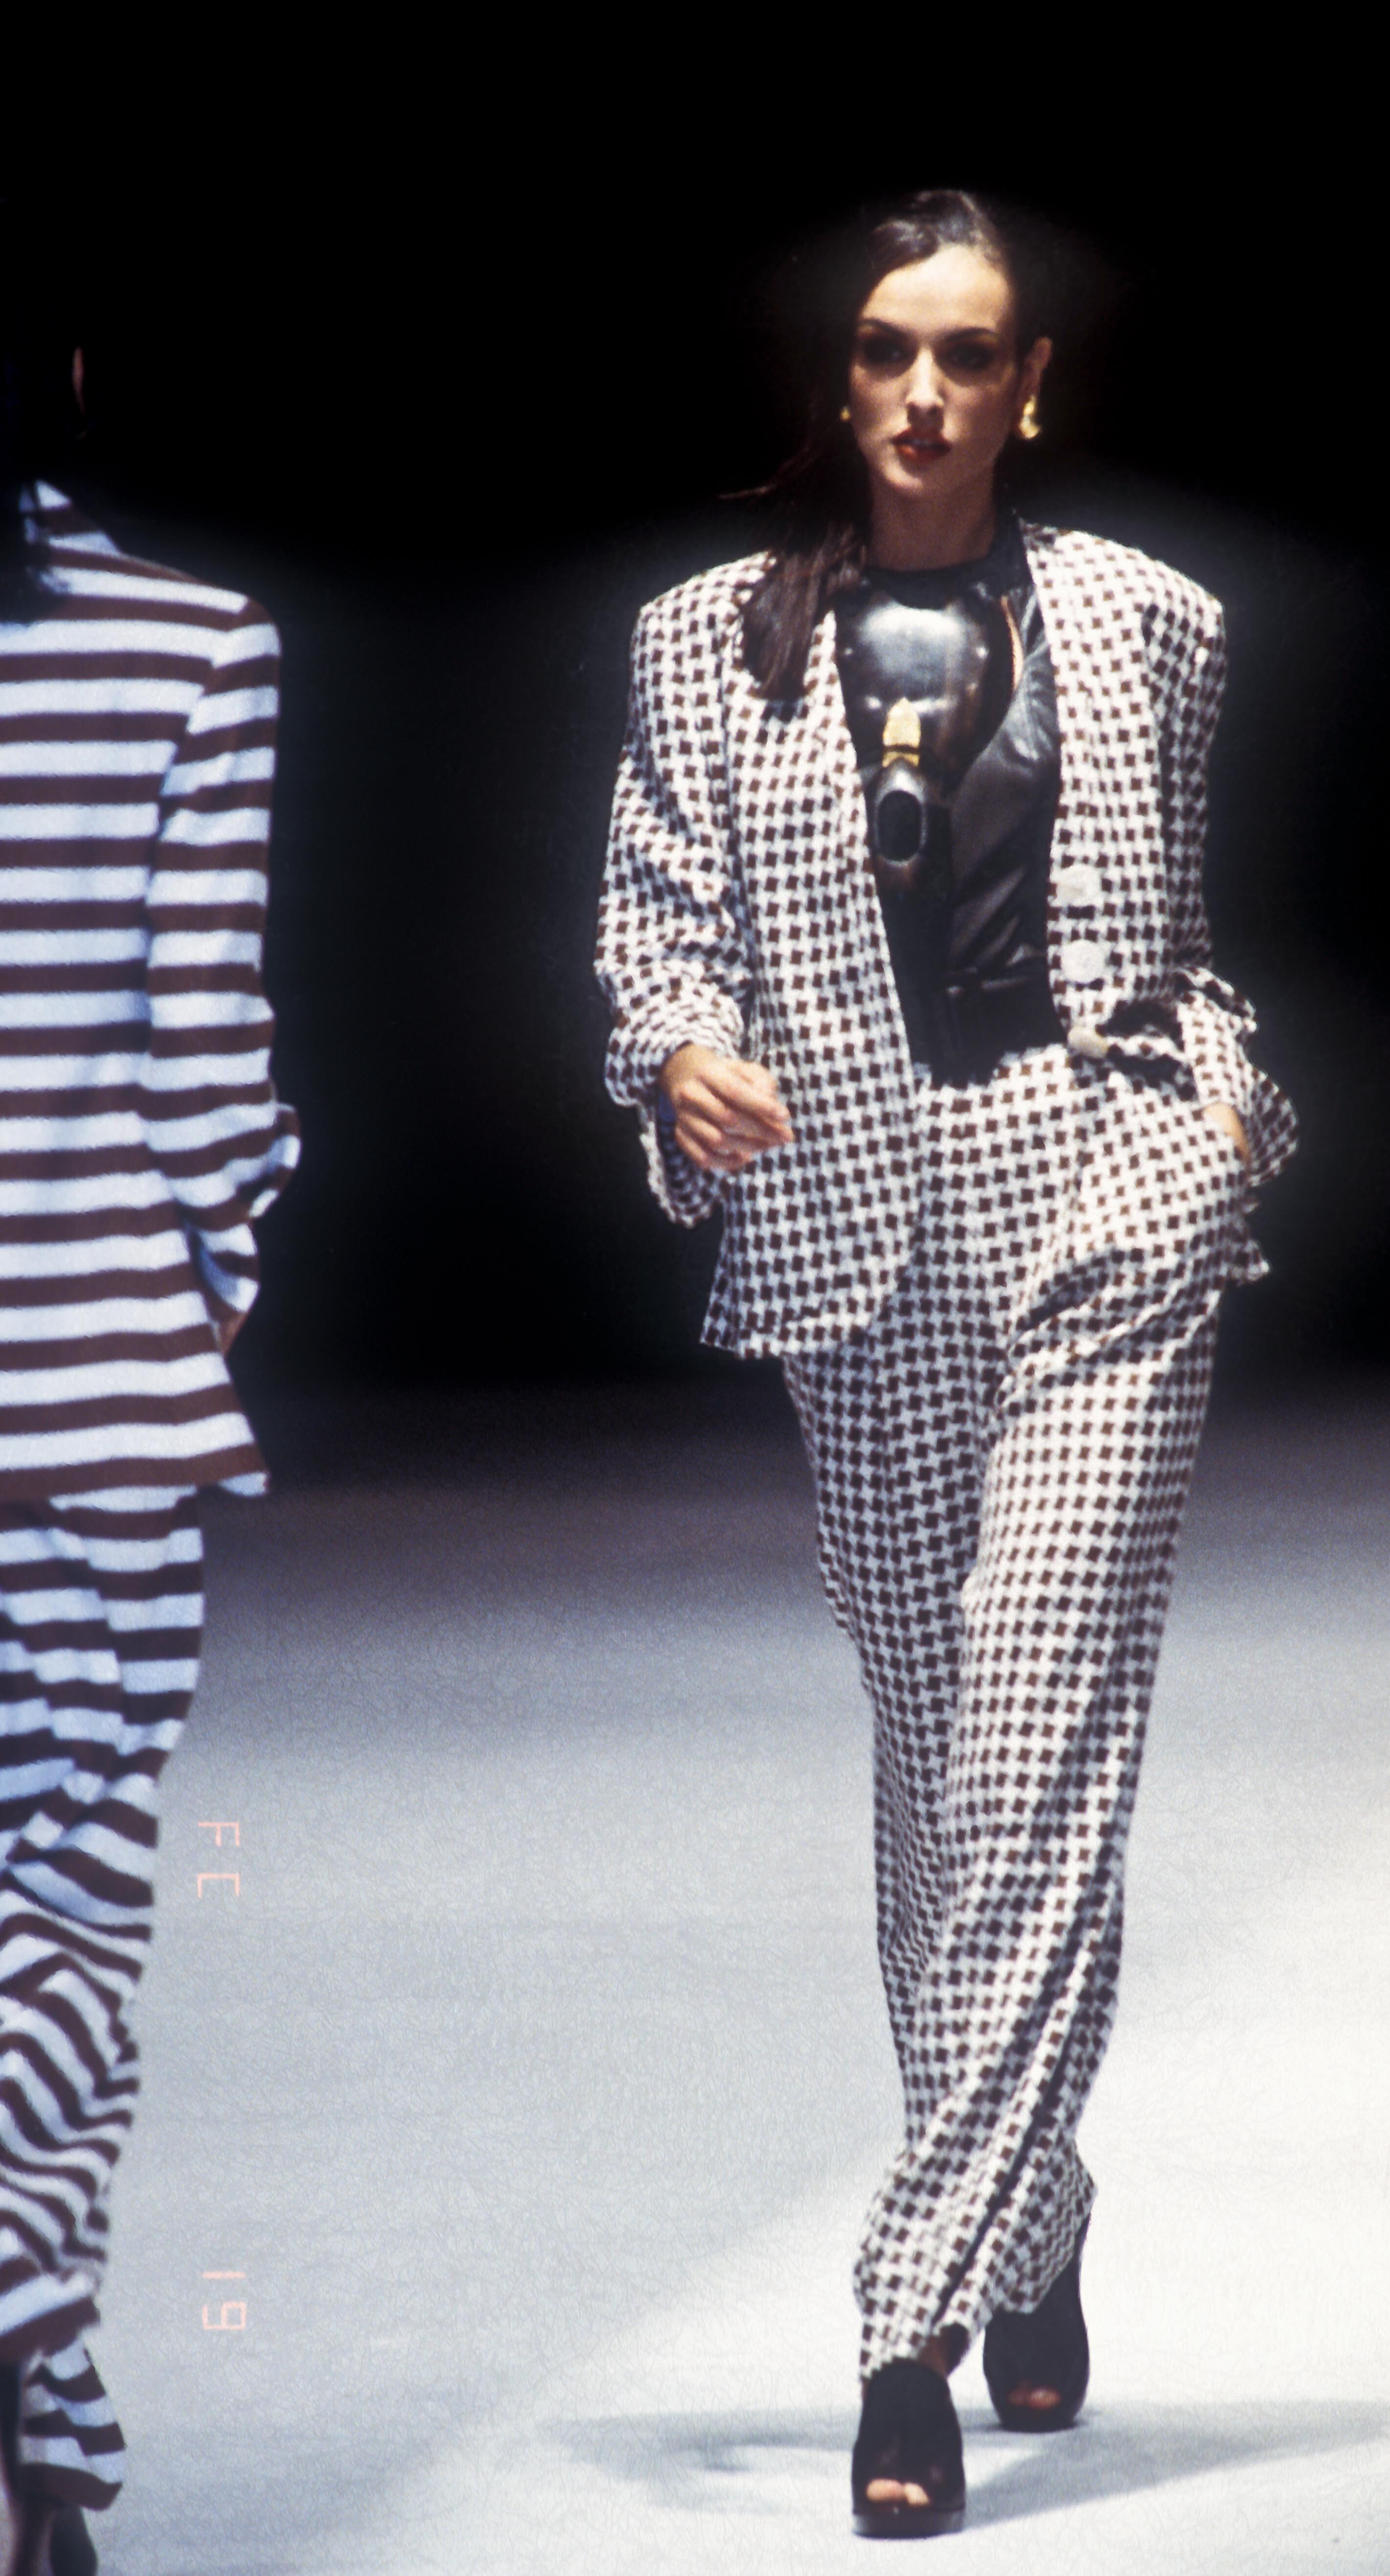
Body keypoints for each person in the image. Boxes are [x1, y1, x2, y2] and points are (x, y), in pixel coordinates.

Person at [595, 187, 1295, 2540]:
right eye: (888, 348)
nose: (922, 391)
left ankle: (904, 2319)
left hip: (1099, 1202)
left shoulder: (1153, 620)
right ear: (838, 372)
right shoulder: (705, 639)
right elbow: (652, 927)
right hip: (850, 1227)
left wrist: (1217, 1112)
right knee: (935, 1778)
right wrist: (675, 1055)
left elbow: (1170, 935)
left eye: (966, 352)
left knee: (1029, 1747)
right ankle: (1037, 2212)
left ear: (1028, 383)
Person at [0, 308, 298, 2575]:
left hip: (92, 1381)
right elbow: (200, 1044)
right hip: (84, 1383)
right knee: (70, 1922)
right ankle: (39, 2386)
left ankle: (52, 2415)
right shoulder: (189, 645)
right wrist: (220, 1264)